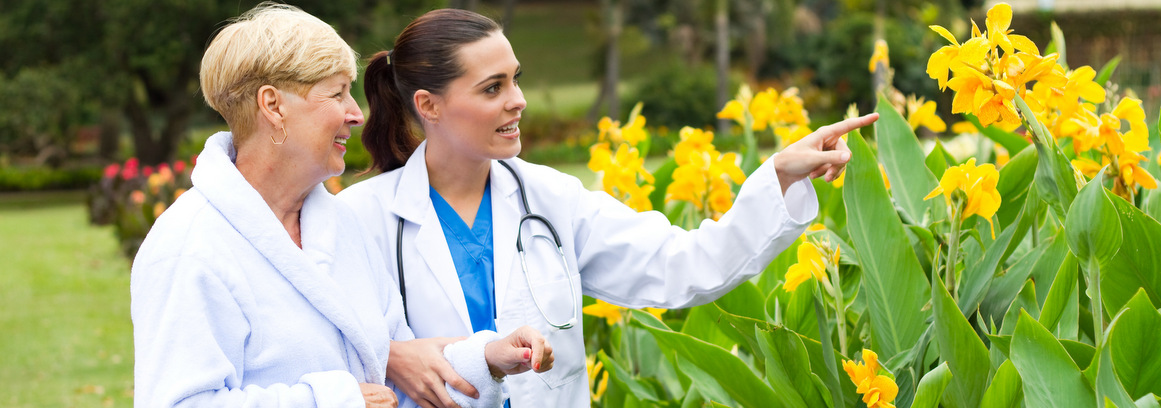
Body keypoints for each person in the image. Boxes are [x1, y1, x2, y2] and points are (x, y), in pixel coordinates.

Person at [337, 8, 877, 407]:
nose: (518, 100)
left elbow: (685, 266)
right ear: (429, 106)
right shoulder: (362, 219)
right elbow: (321, 353)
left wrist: (779, 176)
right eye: (492, 88)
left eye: (516, 79)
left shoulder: (552, 200)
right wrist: (391, 355)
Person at [130, 4, 553, 407]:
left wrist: (485, 360)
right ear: (273, 106)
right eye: (336, 94)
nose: (356, 114)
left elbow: (395, 382)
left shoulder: (340, 226)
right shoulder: (190, 249)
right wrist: (333, 401)